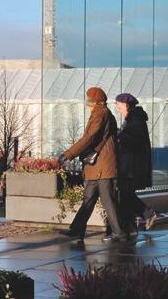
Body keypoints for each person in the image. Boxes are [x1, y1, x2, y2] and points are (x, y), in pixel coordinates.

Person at [58, 87, 125, 243]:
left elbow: (89, 138)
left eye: (88, 100)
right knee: (88, 198)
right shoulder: (101, 113)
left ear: (95, 102)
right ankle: (76, 230)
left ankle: (119, 233)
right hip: (98, 167)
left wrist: (68, 154)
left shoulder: (100, 114)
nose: (87, 104)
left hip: (102, 166)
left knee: (108, 200)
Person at [115, 93, 157, 234]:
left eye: (118, 104)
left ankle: (146, 215)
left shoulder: (134, 119)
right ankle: (132, 227)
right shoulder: (133, 118)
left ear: (126, 105)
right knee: (126, 195)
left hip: (131, 166)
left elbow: (135, 142)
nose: (117, 107)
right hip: (131, 164)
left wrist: (119, 134)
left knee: (125, 194)